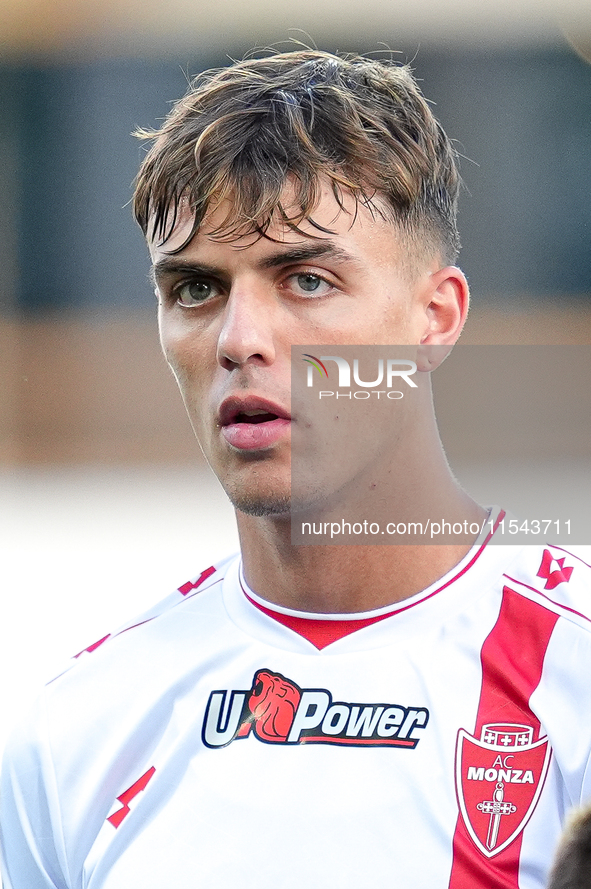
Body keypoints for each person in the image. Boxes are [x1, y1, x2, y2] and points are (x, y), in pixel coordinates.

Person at [1, 50, 590, 889]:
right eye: (196, 289)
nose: (240, 337)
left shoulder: (573, 672)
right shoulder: (75, 729)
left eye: (305, 279)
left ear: (435, 316)